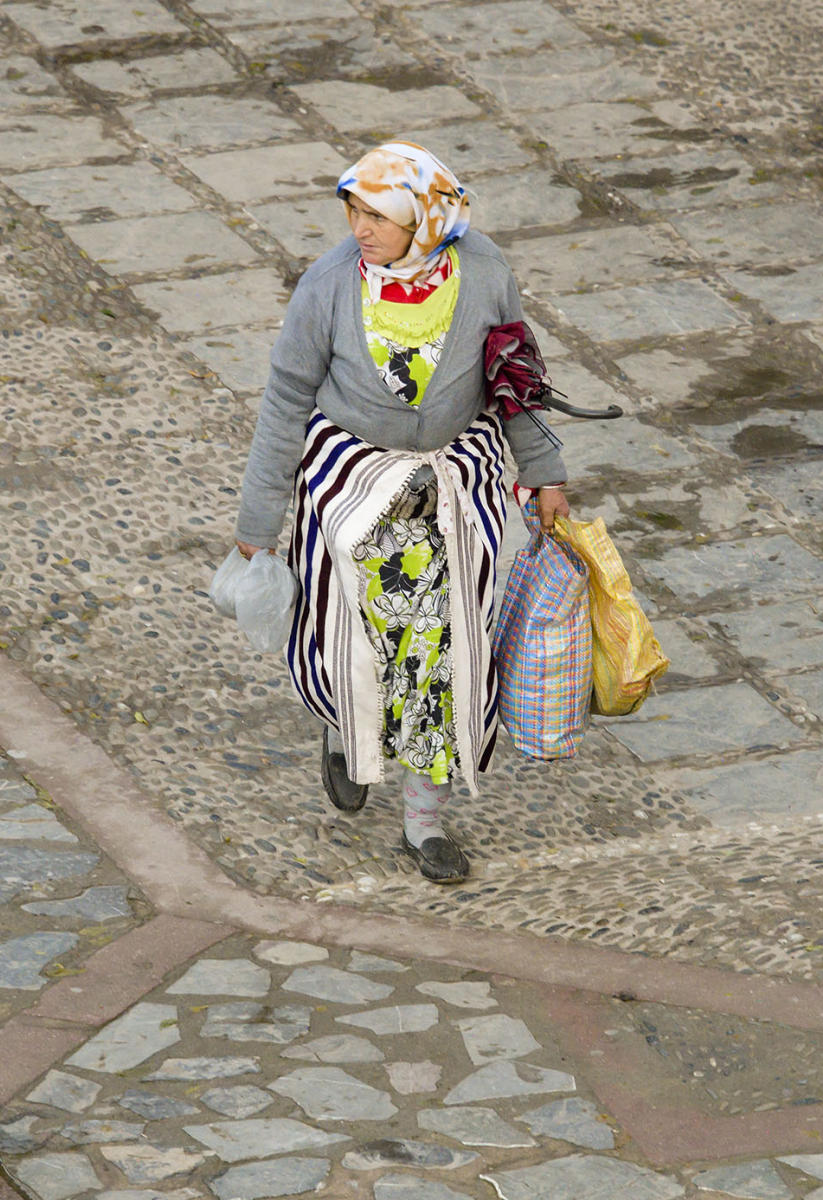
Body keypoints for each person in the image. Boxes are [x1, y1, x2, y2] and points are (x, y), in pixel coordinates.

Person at [233, 141, 569, 884]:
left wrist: (545, 473)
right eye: (354, 210)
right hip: (353, 488)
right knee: (354, 638)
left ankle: (423, 823)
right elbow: (286, 404)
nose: (362, 228)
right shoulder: (328, 286)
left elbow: (515, 379)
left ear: (426, 215)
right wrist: (257, 528)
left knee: (440, 652)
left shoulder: (482, 272)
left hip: (455, 491)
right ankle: (342, 729)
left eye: (379, 214)